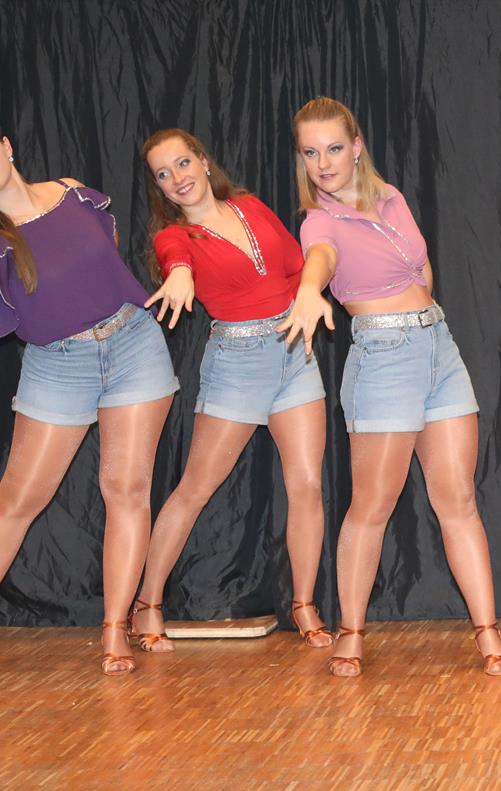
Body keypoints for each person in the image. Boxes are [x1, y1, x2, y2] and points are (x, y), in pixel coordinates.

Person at [279, 97, 501, 677]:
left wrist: (427, 315)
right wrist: (308, 290)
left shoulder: (391, 198)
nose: (323, 163)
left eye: (334, 148)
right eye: (310, 153)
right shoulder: (319, 221)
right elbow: (320, 258)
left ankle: (488, 633)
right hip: (384, 358)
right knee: (372, 506)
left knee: (458, 500)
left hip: (439, 348)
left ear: (356, 147)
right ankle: (351, 633)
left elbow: (421, 269)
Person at [0, 117, 177, 675]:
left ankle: (114, 628)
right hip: (58, 365)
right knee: (18, 499)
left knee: (126, 489)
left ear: (6, 146)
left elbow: (106, 253)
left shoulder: (72, 193)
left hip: (133, 344)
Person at [126, 128, 331, 652]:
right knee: (195, 488)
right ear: (158, 187)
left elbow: (297, 268)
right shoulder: (174, 237)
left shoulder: (250, 206)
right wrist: (179, 276)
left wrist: (313, 295)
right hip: (238, 361)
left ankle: (303, 604)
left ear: (202, 160)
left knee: (307, 484)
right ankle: (146, 602)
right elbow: (176, 262)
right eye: (163, 174)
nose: (177, 178)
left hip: (294, 350)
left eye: (182, 163)